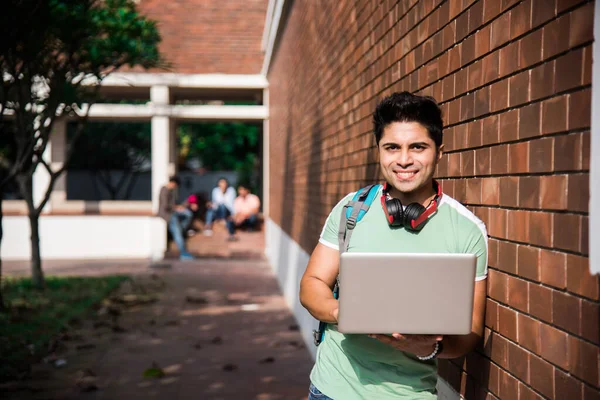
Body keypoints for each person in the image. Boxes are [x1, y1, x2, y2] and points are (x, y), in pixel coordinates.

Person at [299, 92, 488, 399]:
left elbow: (471, 332)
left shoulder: (467, 231)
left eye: (417, 147)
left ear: (439, 152)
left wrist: (430, 347)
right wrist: (342, 311)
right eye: (392, 147)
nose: (403, 160)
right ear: (379, 151)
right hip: (331, 389)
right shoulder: (351, 210)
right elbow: (311, 284)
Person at [158, 176, 196, 261]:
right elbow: (165, 206)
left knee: (188, 214)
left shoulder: (172, 191)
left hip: (172, 213)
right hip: (167, 215)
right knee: (178, 232)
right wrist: (176, 207)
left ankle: (178, 231)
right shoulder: (164, 190)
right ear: (173, 183)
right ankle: (183, 253)